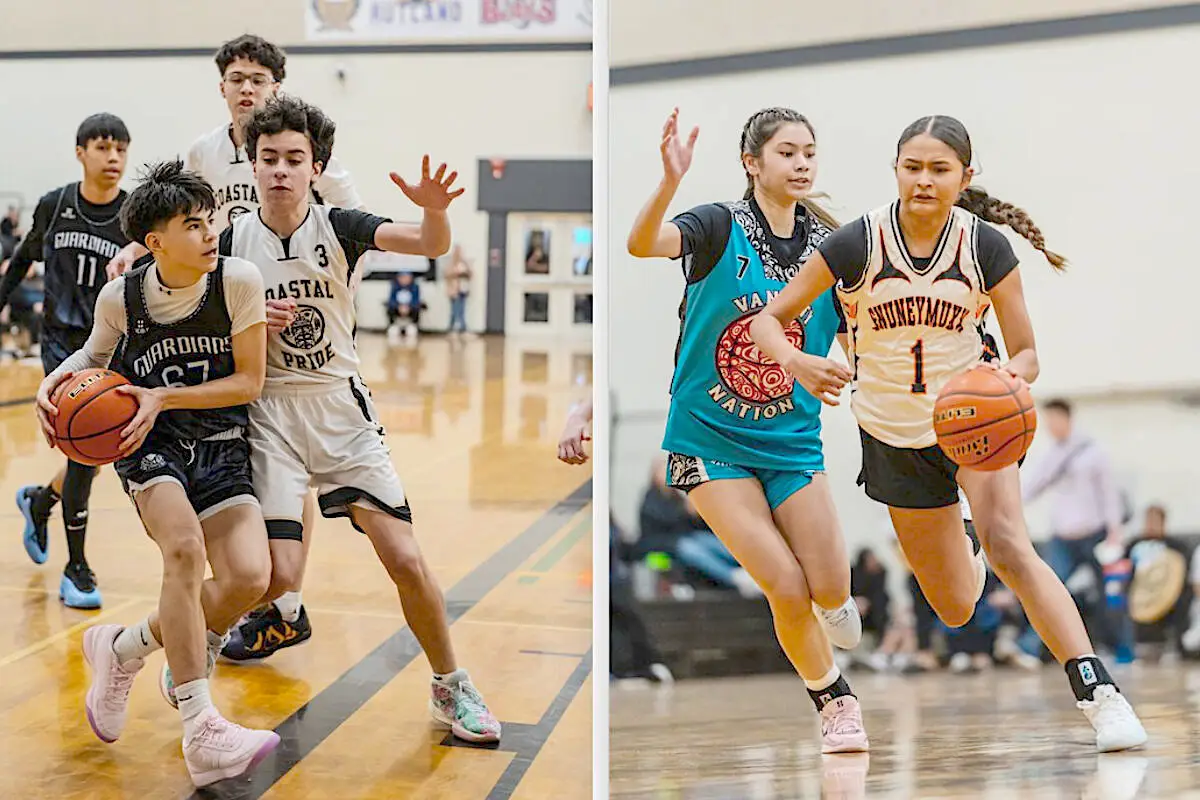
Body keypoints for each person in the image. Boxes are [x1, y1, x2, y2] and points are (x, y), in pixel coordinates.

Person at [749, 114, 1147, 751]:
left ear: (965, 177)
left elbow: (1026, 353)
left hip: (971, 423)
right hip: (890, 434)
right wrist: (798, 361)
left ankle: (1100, 694)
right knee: (956, 606)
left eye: (940, 169)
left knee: (1011, 544)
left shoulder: (985, 248)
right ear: (896, 170)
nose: (924, 180)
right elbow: (769, 320)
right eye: (913, 167)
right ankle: (966, 539)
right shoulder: (856, 243)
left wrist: (1009, 379)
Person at [220, 95, 500, 743]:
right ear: (252, 164)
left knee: (404, 556)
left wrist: (434, 211)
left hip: (340, 409)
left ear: (316, 167)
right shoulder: (230, 242)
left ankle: (450, 685)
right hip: (270, 414)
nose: (280, 170)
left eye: (295, 159)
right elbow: (205, 316)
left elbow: (427, 243)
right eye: (269, 158)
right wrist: (250, 318)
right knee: (275, 576)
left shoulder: (341, 225)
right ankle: (191, 654)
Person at [107, 34, 366, 659]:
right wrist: (138, 248)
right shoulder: (204, 152)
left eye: (259, 79)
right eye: (237, 78)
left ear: (277, 88)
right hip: (229, 314)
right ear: (221, 87)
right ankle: (260, 602)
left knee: (288, 460)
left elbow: (351, 244)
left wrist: (315, 302)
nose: (247, 88)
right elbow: (180, 215)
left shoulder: (311, 159)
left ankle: (283, 601)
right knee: (255, 451)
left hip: (298, 330)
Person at [625, 106, 868, 753]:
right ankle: (835, 701)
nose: (802, 163)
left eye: (809, 152)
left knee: (831, 589)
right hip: (708, 441)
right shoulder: (717, 225)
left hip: (791, 440)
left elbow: (857, 336)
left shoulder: (833, 245)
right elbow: (642, 244)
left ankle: (832, 607)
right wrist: (669, 181)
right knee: (784, 585)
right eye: (787, 152)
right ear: (752, 162)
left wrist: (869, 377)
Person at [35, 160, 277, 786]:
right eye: (192, 225)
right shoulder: (122, 297)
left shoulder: (238, 281)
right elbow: (90, 356)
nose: (210, 234)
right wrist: (51, 385)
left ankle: (123, 648)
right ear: (155, 242)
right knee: (184, 551)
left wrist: (161, 395)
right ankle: (202, 729)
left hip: (220, 441)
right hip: (149, 444)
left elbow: (249, 382)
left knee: (250, 578)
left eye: (210, 221)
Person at [0, 113, 137, 608]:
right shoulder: (55, 205)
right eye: (103, 147)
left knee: (94, 449)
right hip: (62, 345)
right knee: (85, 453)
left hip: (113, 343)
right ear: (81, 153)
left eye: (121, 149)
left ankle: (41, 501)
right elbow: (23, 259)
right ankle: (77, 567)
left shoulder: (133, 216)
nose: (113, 157)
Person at [386, 271, 422, 342]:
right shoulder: (394, 286)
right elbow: (391, 300)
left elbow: (416, 300)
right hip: (397, 309)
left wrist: (408, 307)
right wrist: (398, 306)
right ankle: (393, 325)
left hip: (410, 309)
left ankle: (413, 325)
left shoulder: (415, 287)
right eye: (402, 277)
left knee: (416, 309)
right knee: (390, 309)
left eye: (406, 277)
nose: (404, 280)